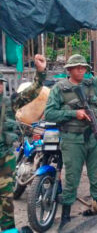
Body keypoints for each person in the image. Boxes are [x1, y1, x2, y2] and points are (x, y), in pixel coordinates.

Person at [44, 43, 97, 230]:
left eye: (83, 68)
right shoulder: (60, 89)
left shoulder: (92, 84)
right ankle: (65, 218)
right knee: (72, 178)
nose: (81, 71)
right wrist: (74, 114)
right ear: (69, 70)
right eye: (77, 68)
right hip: (72, 139)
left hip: (94, 138)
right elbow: (49, 114)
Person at [0, 55, 47, 231]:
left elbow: (32, 92)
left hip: (4, 158)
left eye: (0, 83)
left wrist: (40, 72)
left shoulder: (9, 102)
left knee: (5, 198)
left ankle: (8, 229)